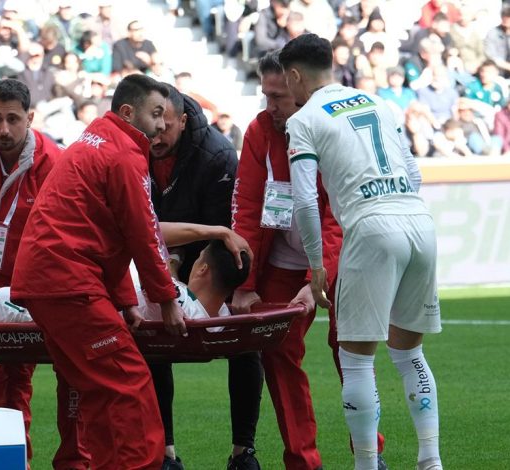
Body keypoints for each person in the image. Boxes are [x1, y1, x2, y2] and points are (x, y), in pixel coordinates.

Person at [280, 33, 443, 470]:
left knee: (355, 361)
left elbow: (304, 201)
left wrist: (316, 265)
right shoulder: (377, 102)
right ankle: (431, 460)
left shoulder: (304, 119)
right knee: (410, 354)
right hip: (418, 220)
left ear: (294, 76)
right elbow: (412, 171)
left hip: (371, 228)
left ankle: (367, 465)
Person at [10, 74, 186, 470]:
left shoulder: (94, 141)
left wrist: (125, 300)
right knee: (129, 381)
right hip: (67, 281)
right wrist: (166, 298)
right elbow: (142, 233)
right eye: (156, 114)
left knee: (97, 389)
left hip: (49, 281)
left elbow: (107, 233)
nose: (162, 125)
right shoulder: (124, 154)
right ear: (128, 112)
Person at [232, 49, 388, 470]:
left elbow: (338, 215)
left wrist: (316, 276)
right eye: (265, 95)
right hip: (280, 264)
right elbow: (247, 208)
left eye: (279, 96)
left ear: (299, 87)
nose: (270, 106)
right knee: (277, 355)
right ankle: (303, 462)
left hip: (344, 259)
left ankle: (370, 455)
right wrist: (245, 285)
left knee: (351, 352)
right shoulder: (259, 131)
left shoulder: (330, 125)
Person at [0, 78, 86, 470]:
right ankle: (10, 461)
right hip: (1, 288)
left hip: (55, 289)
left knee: (72, 374)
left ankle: (75, 463)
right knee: (8, 375)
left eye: (12, 119)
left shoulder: (55, 161)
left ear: (30, 118)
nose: (3, 129)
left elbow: (73, 235)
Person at [144, 83, 256, 470]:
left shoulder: (217, 156)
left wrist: (228, 283)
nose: (156, 135)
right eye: (152, 126)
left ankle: (244, 453)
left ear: (183, 120)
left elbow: (224, 229)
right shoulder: (135, 148)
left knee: (245, 341)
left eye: (165, 126)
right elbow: (143, 223)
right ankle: (165, 453)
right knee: (153, 338)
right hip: (157, 254)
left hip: (206, 254)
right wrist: (167, 266)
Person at [0, 226, 249, 327]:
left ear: (202, 269)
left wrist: (213, 231)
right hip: (79, 301)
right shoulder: (218, 315)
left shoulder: (178, 298)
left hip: (64, 304)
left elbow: (147, 229)